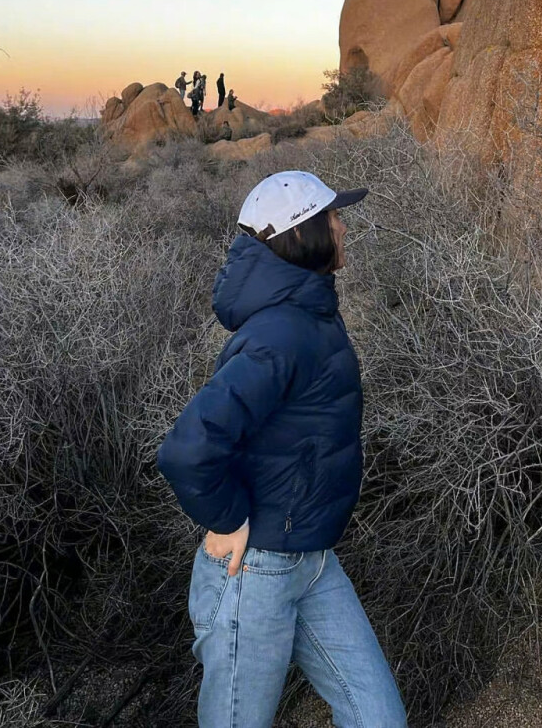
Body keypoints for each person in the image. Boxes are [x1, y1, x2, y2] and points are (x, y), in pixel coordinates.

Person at [157, 172, 407, 728]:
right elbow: (188, 448)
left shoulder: (309, 314)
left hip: (312, 560)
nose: (342, 227)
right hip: (257, 572)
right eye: (333, 218)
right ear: (305, 235)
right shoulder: (283, 334)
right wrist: (225, 518)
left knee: (378, 719)